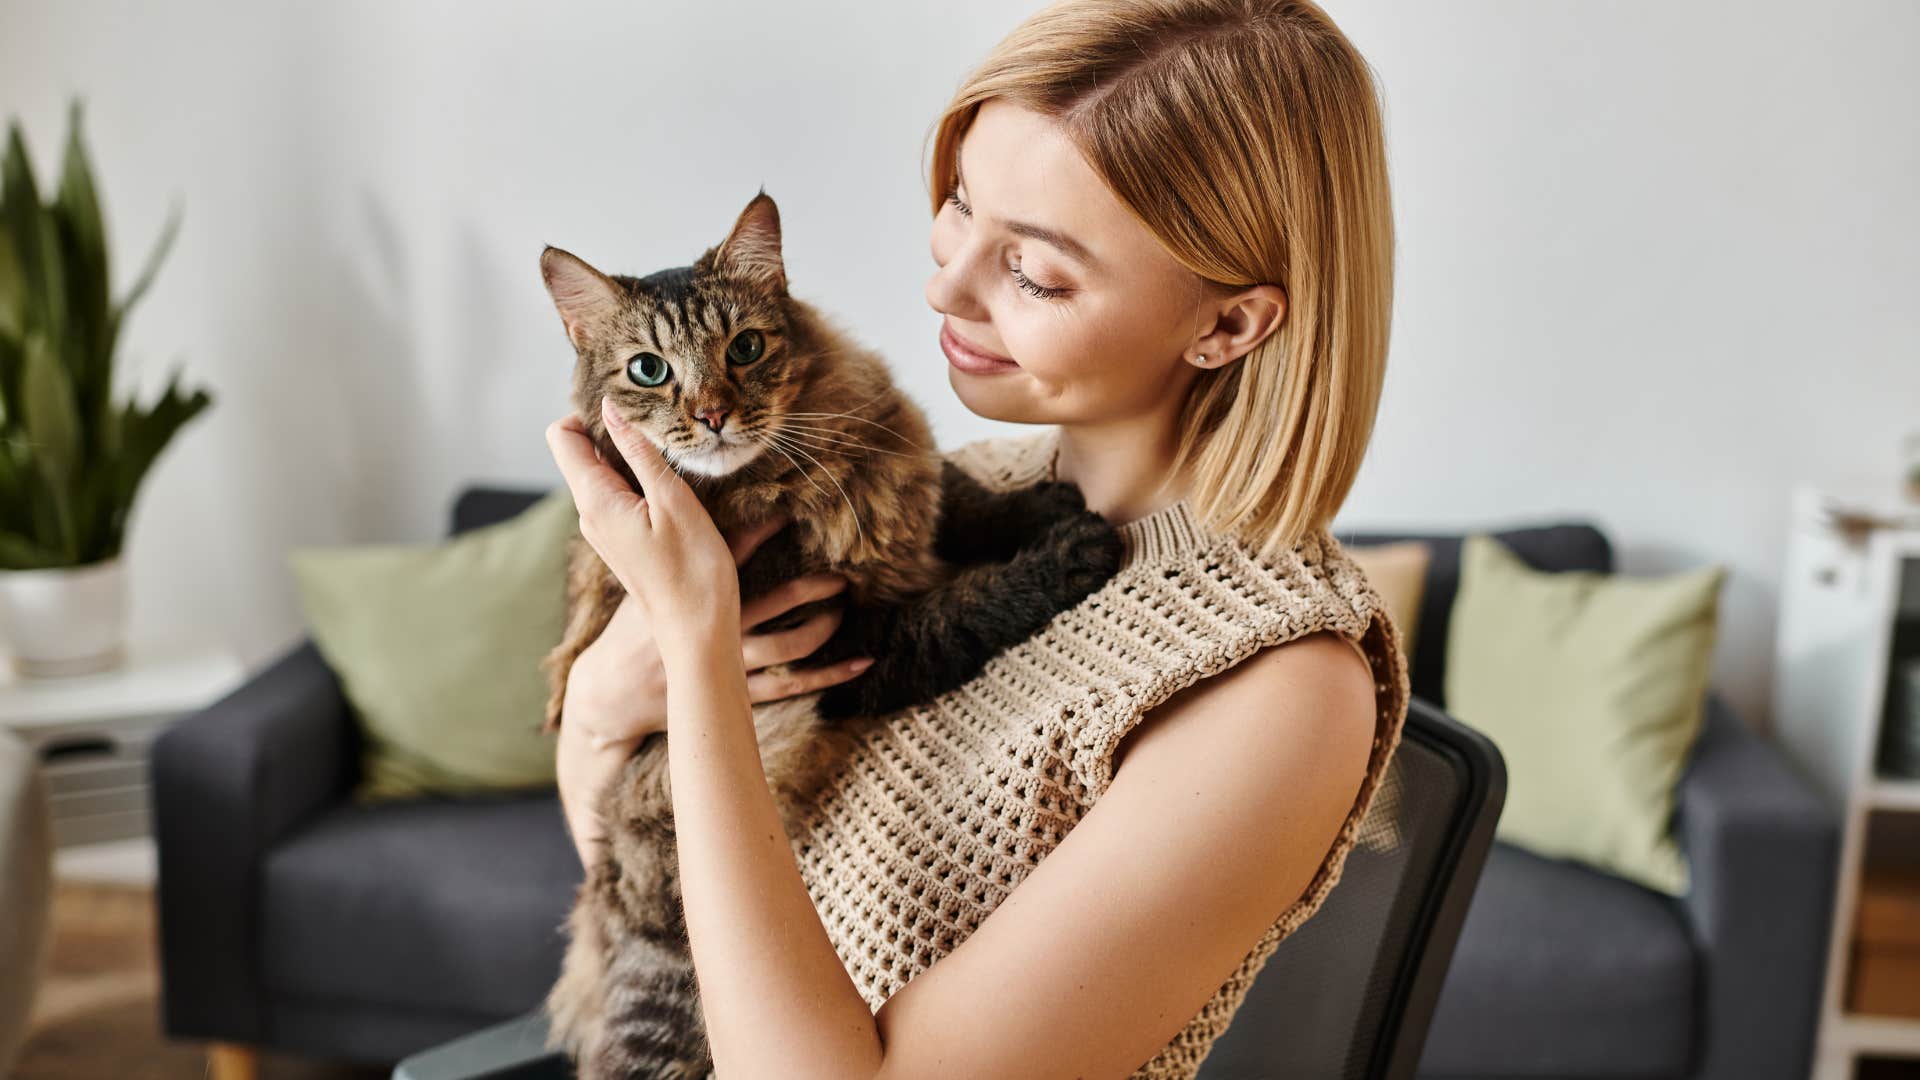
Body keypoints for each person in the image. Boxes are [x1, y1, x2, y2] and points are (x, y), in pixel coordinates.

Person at [542, 0, 1410, 1076]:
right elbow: (653, 911)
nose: (943, 285)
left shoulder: (1276, 688)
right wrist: (594, 712)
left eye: (1035, 271)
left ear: (1226, 324)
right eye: (958, 207)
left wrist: (697, 645)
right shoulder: (962, 487)